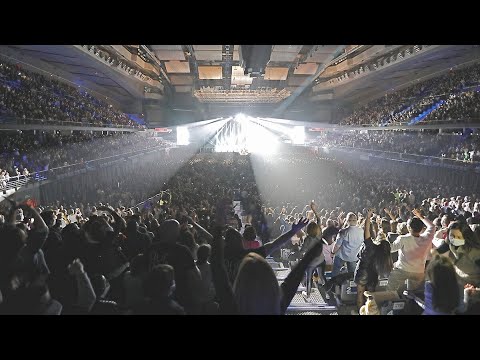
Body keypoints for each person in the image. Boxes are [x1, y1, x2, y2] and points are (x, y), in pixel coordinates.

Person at [387, 209, 435, 293]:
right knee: (413, 293)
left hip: (402, 270)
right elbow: (432, 226)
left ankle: (391, 302)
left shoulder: (403, 238)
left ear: (409, 228)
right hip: (419, 272)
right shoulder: (427, 238)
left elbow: (391, 249)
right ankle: (409, 304)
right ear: (421, 228)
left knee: (391, 288)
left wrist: (383, 240)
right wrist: (421, 216)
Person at [331, 212, 364, 277]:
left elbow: (337, 245)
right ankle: (352, 286)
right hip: (353, 257)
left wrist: (332, 252)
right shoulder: (361, 231)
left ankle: (334, 285)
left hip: (341, 256)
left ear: (347, 221)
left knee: (335, 274)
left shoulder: (343, 231)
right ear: (356, 220)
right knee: (352, 276)